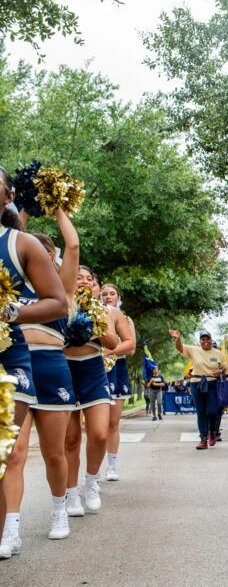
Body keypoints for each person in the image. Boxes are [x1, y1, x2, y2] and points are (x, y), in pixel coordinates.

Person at [0, 171, 69, 557]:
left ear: (8, 196)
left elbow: (58, 303)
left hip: (13, 359)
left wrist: (8, 310)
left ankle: (15, 528)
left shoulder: (21, 244)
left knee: (8, 451)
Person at [63, 267, 120, 518]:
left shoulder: (103, 310)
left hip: (93, 369)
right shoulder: (60, 302)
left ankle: (91, 483)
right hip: (65, 369)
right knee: (72, 439)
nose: (85, 282)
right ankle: (71, 492)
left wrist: (93, 323)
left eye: (89, 279)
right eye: (79, 277)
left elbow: (113, 343)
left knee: (98, 433)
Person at [100, 284, 136, 481]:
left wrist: (110, 350)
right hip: (95, 368)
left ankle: (112, 466)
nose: (108, 296)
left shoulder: (125, 318)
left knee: (113, 422)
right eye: (104, 293)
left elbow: (131, 348)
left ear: (118, 297)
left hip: (117, 369)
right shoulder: (93, 314)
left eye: (112, 293)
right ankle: (94, 468)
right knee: (96, 424)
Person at [168, 328, 226, 450]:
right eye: (203, 339)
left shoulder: (218, 353)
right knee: (201, 413)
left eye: (207, 339)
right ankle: (203, 439)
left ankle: (212, 432)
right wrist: (178, 338)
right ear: (200, 341)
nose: (205, 341)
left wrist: (220, 371)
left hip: (212, 383)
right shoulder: (194, 350)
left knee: (212, 411)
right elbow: (179, 348)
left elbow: (225, 368)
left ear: (211, 340)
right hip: (196, 383)